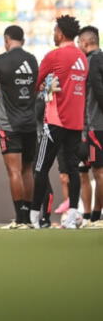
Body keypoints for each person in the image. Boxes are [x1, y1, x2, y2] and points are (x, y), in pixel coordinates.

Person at [30, 15, 88, 229]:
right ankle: (73, 216)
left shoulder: (54, 56)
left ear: (61, 33)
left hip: (55, 121)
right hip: (76, 122)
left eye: (55, 31)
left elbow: (37, 84)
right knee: (73, 169)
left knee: (40, 168)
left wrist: (45, 85)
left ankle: (34, 216)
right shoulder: (82, 58)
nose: (53, 34)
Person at [0, 25, 38, 227]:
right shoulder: (32, 60)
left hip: (9, 125)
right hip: (31, 123)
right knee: (28, 169)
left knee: (14, 171)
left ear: (7, 39)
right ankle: (29, 218)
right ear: (22, 39)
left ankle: (20, 218)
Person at [78, 25, 103, 228]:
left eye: (79, 42)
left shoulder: (91, 61)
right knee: (86, 171)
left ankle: (96, 216)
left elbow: (94, 92)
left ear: (86, 42)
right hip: (92, 125)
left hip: (94, 125)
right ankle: (88, 216)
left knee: (98, 172)